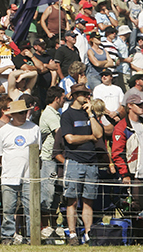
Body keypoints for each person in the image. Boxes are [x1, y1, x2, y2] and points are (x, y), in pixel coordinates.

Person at [61, 84, 103, 245]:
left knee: (88, 200)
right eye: (84, 94)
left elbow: (98, 134)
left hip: (91, 162)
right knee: (71, 200)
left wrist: (91, 114)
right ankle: (72, 234)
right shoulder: (67, 115)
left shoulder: (89, 114)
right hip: (74, 161)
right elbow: (70, 139)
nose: (87, 97)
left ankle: (88, 232)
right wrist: (89, 138)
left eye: (88, 94)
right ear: (75, 95)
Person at [0, 100, 41, 245]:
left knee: (30, 209)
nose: (23, 115)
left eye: (25, 112)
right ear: (12, 114)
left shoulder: (34, 128)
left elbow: (37, 151)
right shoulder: (3, 131)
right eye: (20, 112)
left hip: (29, 176)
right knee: (8, 209)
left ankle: (30, 237)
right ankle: (7, 236)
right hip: (9, 176)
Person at [39, 86, 65, 237]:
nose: (64, 100)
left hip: (55, 159)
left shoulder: (55, 113)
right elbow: (60, 133)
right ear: (56, 99)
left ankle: (54, 225)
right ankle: (45, 227)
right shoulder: (50, 114)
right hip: (49, 159)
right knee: (47, 194)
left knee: (56, 194)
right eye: (62, 97)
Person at [111, 93, 143, 212]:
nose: (142, 107)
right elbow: (117, 153)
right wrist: (125, 174)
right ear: (129, 105)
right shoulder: (122, 127)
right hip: (135, 174)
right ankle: (135, 231)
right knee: (136, 207)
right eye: (139, 105)